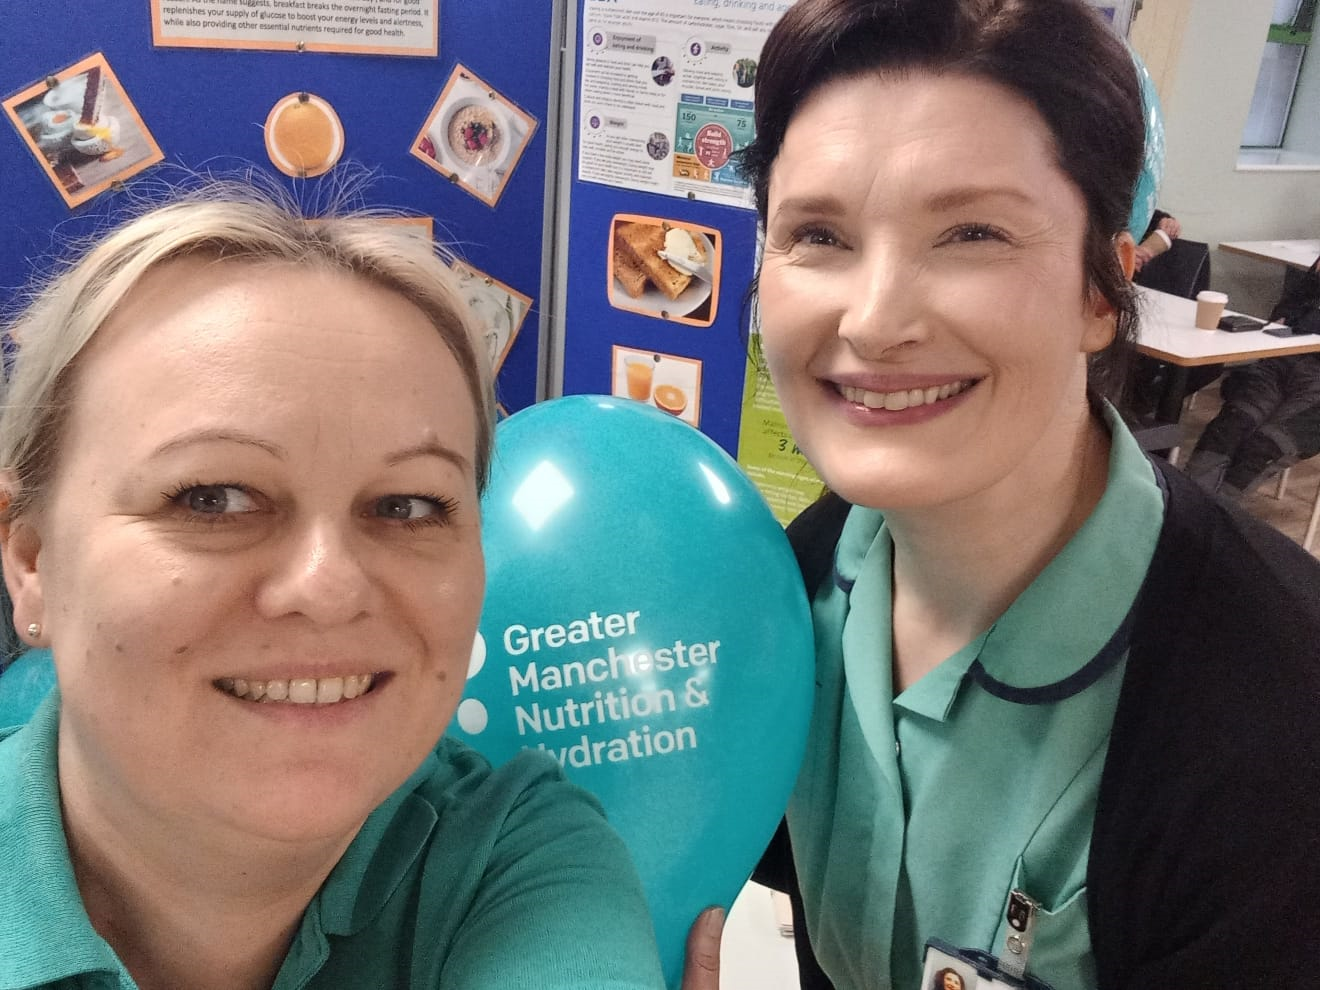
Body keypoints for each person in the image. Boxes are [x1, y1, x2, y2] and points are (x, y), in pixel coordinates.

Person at [731, 1, 1320, 988]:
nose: (875, 324)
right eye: (819, 234)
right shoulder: (794, 585)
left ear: (1102, 290)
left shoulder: (1274, 715)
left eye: (971, 233)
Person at [0, 186, 673, 990]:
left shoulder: (515, 857)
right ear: (32, 559)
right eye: (213, 497)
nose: (328, 588)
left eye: (409, 505)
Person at [1183, 256, 1320, 497]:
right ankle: (1186, 505)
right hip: (1283, 357)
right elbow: (1286, 309)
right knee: (1231, 426)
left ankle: (1206, 517)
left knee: (1265, 446)